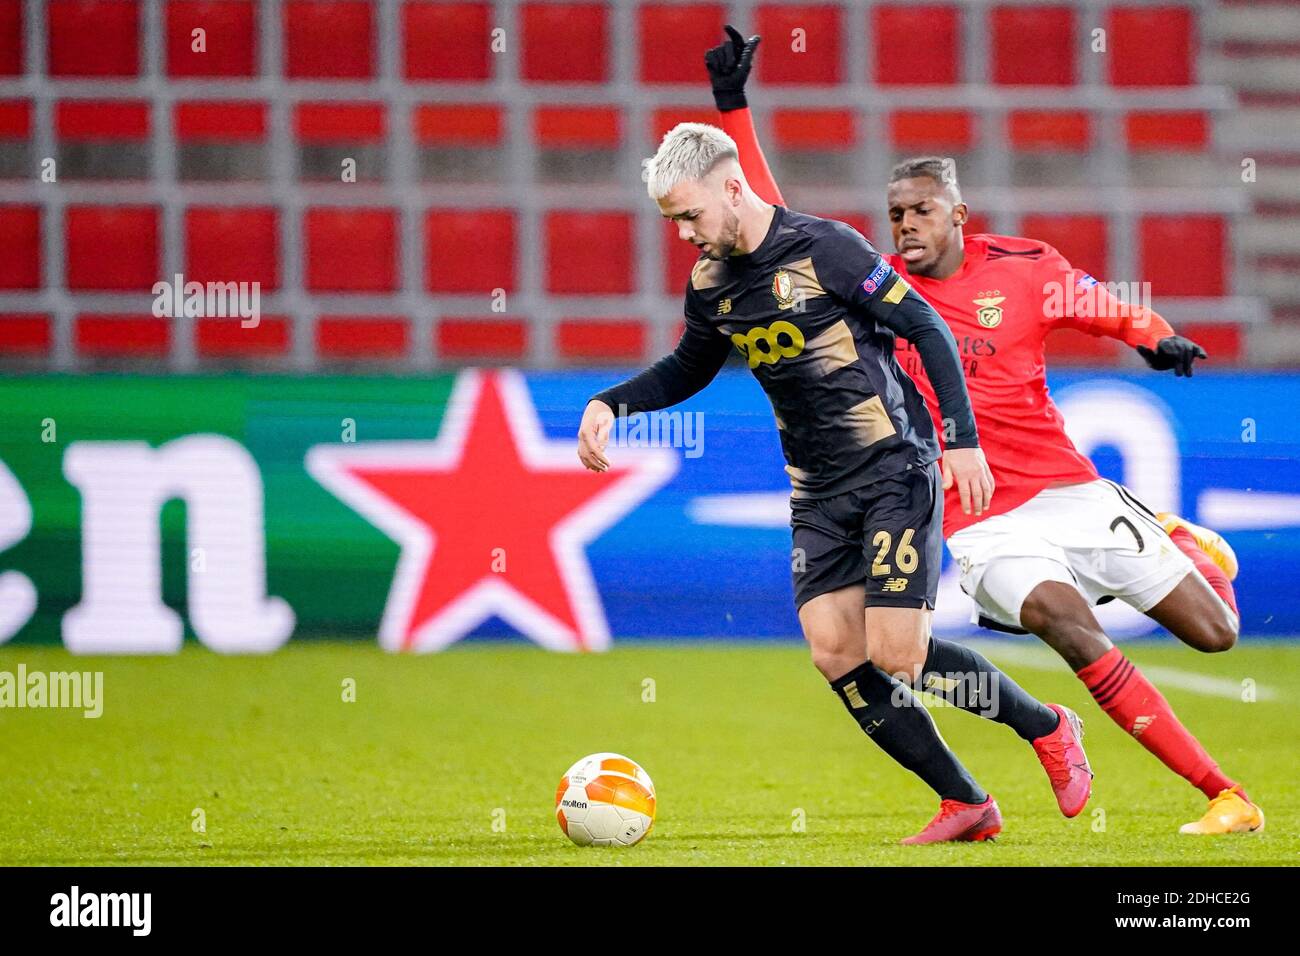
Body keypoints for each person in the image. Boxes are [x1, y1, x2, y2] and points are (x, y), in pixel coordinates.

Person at [702, 26, 1261, 834]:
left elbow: (1105, 306)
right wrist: (733, 108)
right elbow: (770, 214)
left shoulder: (1026, 268)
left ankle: (1182, 541)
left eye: (921, 211)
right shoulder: (875, 288)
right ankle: (1225, 795)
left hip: (1069, 488)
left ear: (959, 213)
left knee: (1217, 635)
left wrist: (1154, 336)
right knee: (1062, 622)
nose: (905, 227)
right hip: (980, 516)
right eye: (895, 215)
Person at [576, 119, 1093, 844]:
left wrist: (961, 441)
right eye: (673, 221)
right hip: (816, 492)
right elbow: (688, 367)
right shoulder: (711, 282)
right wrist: (611, 403)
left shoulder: (827, 249)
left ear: (732, 188)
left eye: (690, 215)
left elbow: (927, 329)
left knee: (898, 653)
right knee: (834, 651)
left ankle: (1048, 725)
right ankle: (967, 802)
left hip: (893, 471)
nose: (685, 234)